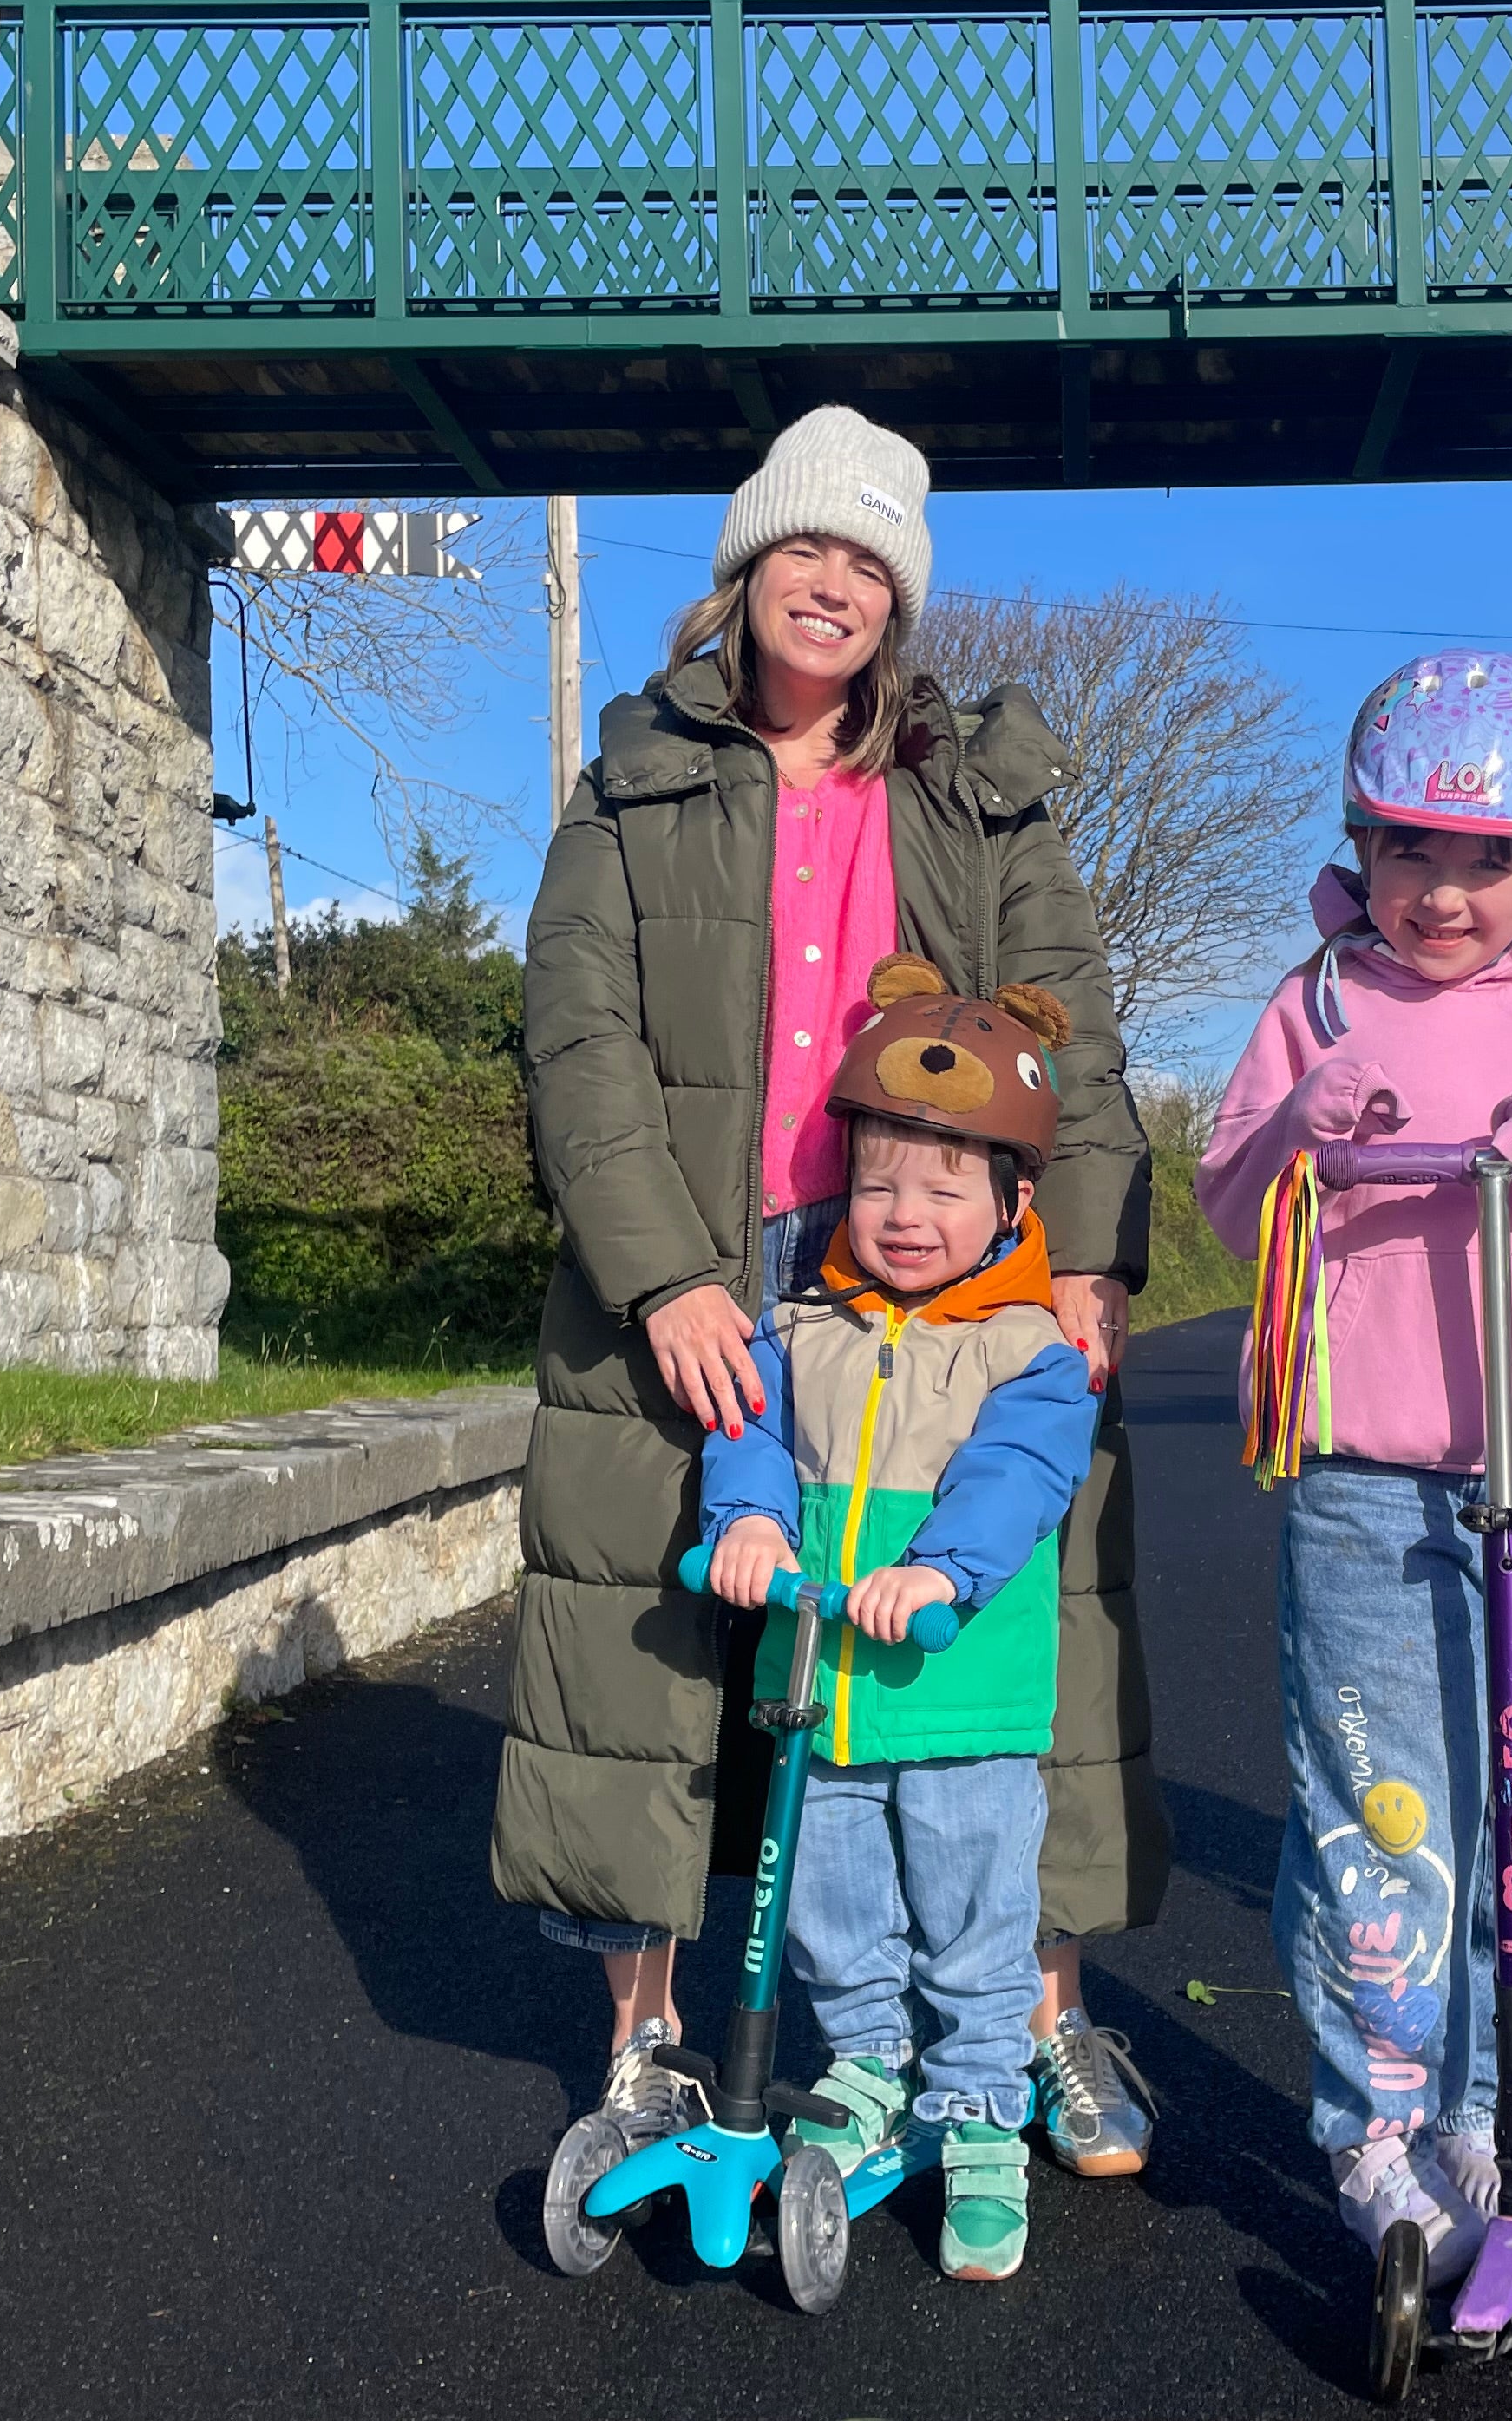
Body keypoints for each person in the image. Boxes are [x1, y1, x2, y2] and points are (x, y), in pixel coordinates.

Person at [495, 407, 1169, 2188]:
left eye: (873, 563)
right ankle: (647, 2041)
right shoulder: (633, 776)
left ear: (902, 604)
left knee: (1017, 1634)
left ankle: (1037, 2018)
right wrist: (663, 1281)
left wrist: (1087, 1260)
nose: (837, 584)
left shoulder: (975, 788)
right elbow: (579, 1039)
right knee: (642, 1645)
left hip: (963, 1265)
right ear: (747, 565)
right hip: (708, 1266)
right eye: (812, 548)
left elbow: (1073, 1035)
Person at [1194, 653, 1512, 2272]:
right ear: (1364, 847)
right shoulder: (1315, 1002)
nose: (1446, 892)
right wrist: (1305, 1129)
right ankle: (1381, 2128)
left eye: (1489, 861)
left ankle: (1497, 2109)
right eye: (1412, 851)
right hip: (1365, 1476)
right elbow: (1228, 1203)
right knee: (1390, 1819)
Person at [702, 960, 1099, 2281]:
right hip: (818, 1689)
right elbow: (749, 1435)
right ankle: (870, 2066)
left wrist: (940, 1573)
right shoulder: (799, 1321)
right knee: (826, 1897)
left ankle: (984, 2103)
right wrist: (746, 1523)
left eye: (942, 1187)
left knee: (976, 1908)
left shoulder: (1029, 1349)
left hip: (959, 1690)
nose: (905, 1213)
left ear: (1011, 1202)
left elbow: (1018, 1480)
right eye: (878, 1185)